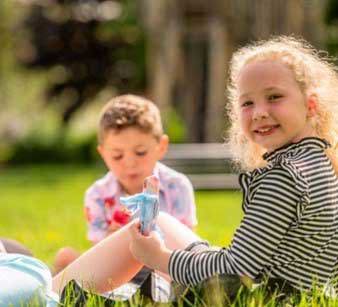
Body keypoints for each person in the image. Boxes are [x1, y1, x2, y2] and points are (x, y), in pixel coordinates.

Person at [53, 36, 338, 299]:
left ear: (311, 105)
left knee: (139, 237)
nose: (260, 112)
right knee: (160, 222)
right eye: (248, 102)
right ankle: (61, 287)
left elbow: (236, 270)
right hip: (281, 291)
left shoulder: (285, 177)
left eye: (274, 97)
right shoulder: (321, 164)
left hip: (254, 297)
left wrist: (160, 258)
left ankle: (49, 296)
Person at [53, 94, 197, 297]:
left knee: (178, 276)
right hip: (116, 272)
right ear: (103, 153)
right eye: (117, 155)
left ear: (161, 147)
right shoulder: (97, 195)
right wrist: (111, 237)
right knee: (65, 257)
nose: (130, 163)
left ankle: (155, 291)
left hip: (164, 267)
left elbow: (184, 244)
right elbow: (99, 254)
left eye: (140, 152)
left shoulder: (177, 186)